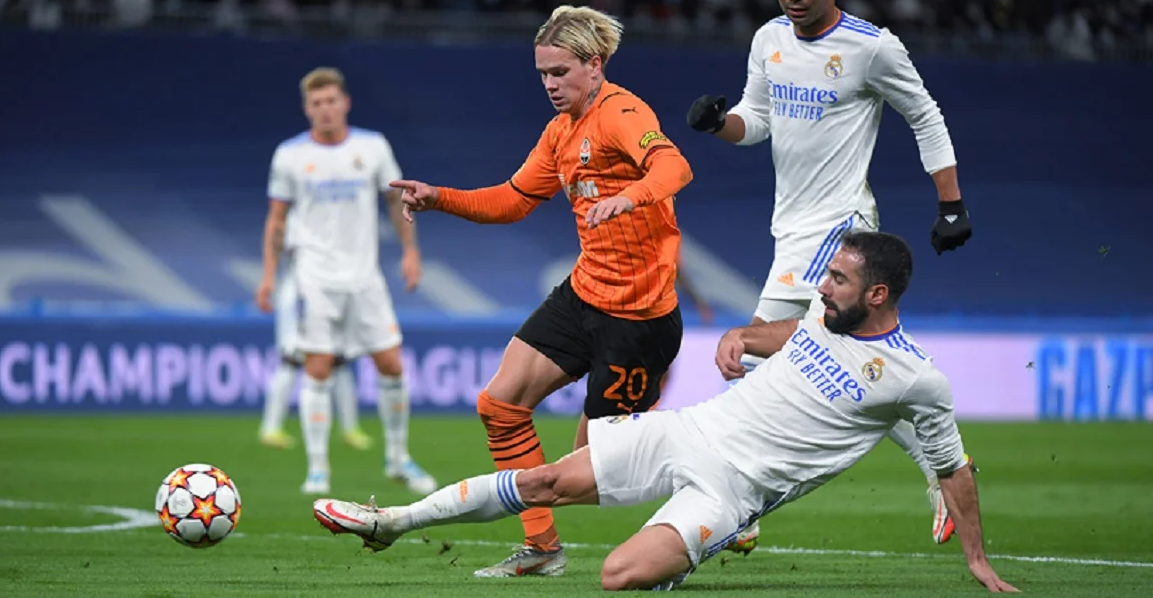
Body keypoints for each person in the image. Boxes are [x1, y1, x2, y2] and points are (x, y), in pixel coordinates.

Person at [313, 231, 1018, 594]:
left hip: (733, 490)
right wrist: (745, 336)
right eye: (828, 273)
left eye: (838, 279)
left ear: (878, 295)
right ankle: (392, 522)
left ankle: (694, 546)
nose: (824, 285)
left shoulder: (917, 378)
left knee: (619, 575)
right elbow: (795, 331)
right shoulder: (821, 315)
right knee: (545, 479)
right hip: (688, 429)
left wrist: (977, 558)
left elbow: (952, 467)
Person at [686, 0, 973, 549]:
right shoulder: (768, 39)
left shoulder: (871, 48)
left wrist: (951, 204)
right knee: (820, 362)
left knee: (747, 353)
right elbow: (757, 121)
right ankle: (943, 467)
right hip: (790, 228)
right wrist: (720, 123)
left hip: (840, 226)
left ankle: (738, 507)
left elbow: (924, 114)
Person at [388, 4, 694, 578]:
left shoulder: (622, 112)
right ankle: (542, 549)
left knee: (594, 469)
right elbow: (513, 199)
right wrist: (440, 198)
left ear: (594, 65)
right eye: (543, 74)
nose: (551, 85)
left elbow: (674, 166)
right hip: (583, 295)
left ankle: (715, 485)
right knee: (500, 405)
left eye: (560, 72)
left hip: (638, 319)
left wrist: (628, 197)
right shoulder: (560, 132)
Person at [257, 66, 437, 497]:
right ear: (307, 109)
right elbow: (276, 220)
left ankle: (398, 458)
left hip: (364, 277)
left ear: (345, 103)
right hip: (314, 277)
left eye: (331, 101)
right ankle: (318, 469)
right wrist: (268, 275)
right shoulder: (290, 155)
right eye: (316, 103)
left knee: (391, 363)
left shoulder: (372, 147)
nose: (325, 109)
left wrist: (411, 251)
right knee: (317, 368)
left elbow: (395, 201)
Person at [259, 215, 374, 452]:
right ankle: (270, 427)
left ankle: (350, 428)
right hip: (303, 292)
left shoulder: (337, 217)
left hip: (336, 291)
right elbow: (285, 243)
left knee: (339, 360)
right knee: (291, 359)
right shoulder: (300, 218)